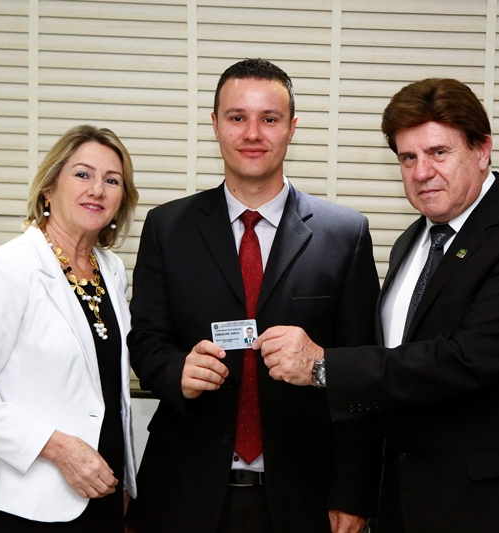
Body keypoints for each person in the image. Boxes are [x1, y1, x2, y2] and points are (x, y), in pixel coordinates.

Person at [256, 78, 499, 532]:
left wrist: (322, 365)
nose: (422, 172)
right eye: (408, 157)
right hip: (409, 503)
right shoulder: (412, 241)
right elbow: (393, 372)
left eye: (438, 152)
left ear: (482, 149)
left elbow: (465, 360)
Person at [126, 58, 381, 533]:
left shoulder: (344, 234)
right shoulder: (167, 227)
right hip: (184, 490)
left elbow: (363, 371)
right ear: (215, 125)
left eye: (269, 119)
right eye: (237, 117)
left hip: (305, 496)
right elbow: (145, 340)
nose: (252, 133)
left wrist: (353, 492)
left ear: (292, 128)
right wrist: (176, 370)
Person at [0, 124, 139, 531]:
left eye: (112, 180)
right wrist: (59, 449)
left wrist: (126, 476)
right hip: (28, 503)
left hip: (103, 490)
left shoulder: (111, 270)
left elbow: (107, 390)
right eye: (82, 174)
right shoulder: (8, 267)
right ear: (49, 188)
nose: (97, 189)